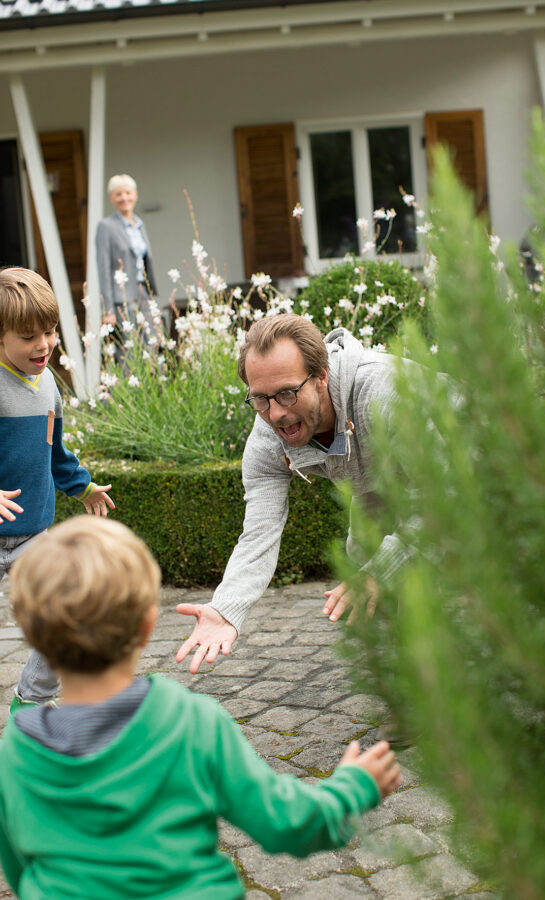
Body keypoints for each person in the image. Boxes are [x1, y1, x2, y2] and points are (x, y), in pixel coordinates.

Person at [0, 517, 402, 899]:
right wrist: (354, 786)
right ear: (146, 625)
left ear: (32, 632)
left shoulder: (16, 751)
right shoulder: (190, 721)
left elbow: (21, 868)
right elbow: (288, 824)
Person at [177, 313, 406, 672]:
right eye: (260, 398)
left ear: (322, 376)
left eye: (287, 393)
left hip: (486, 464)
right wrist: (226, 607)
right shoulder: (268, 435)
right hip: (382, 479)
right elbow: (259, 532)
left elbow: (447, 504)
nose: (276, 413)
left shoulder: (386, 393)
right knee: (363, 556)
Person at [0, 267, 114, 713]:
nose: (44, 345)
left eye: (49, 332)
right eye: (28, 336)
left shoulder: (48, 384)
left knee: (66, 617)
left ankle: (31, 702)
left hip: (32, 536)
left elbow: (54, 450)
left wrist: (81, 485)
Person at [95, 173, 159, 337]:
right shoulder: (106, 226)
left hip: (143, 292)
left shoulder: (139, 225)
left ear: (135, 195)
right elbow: (104, 269)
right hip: (121, 298)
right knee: (130, 348)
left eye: (128, 193)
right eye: (118, 194)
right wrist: (108, 309)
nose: (124, 197)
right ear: (112, 198)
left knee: (152, 342)